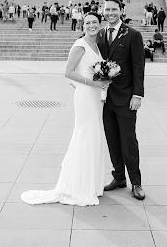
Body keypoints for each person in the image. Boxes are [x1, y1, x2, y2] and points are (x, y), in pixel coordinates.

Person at [22, 13, 111, 206]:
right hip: (86, 95)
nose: (91, 25)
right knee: (85, 133)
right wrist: (93, 84)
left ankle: (93, 183)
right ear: (83, 25)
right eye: (87, 23)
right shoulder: (80, 45)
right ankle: (79, 184)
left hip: (95, 96)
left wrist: (104, 81)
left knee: (94, 133)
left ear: (100, 24)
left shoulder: (98, 45)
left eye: (95, 22)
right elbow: (68, 72)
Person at [97, 0, 146, 201]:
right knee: (112, 139)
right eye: (107, 9)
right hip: (105, 98)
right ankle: (119, 176)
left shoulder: (133, 34)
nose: (110, 13)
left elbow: (138, 66)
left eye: (114, 9)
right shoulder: (100, 34)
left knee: (128, 140)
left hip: (126, 97)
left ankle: (136, 182)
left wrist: (137, 94)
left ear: (121, 10)